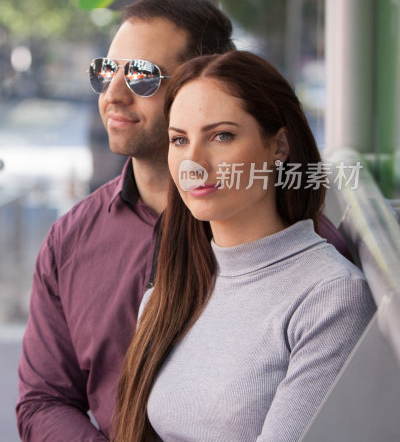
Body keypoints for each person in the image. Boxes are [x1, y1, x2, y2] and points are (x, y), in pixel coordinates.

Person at [15, 0, 352, 441]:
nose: (114, 94)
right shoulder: (72, 239)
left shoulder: (313, 269)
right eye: (106, 70)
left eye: (142, 76)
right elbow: (43, 400)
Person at [114, 51, 375, 441]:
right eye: (179, 140)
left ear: (279, 146)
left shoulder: (331, 297)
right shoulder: (167, 293)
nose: (194, 163)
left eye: (221, 136)